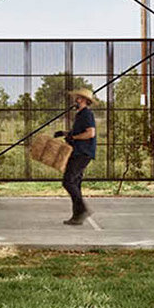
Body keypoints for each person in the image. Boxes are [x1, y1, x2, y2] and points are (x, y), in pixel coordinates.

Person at [53, 88, 97, 225]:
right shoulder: (80, 115)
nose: (75, 100)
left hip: (83, 152)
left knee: (68, 181)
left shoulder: (86, 114)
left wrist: (74, 137)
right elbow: (77, 132)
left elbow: (90, 133)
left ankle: (82, 210)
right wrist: (65, 133)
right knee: (75, 183)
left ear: (84, 100)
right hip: (78, 151)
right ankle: (77, 217)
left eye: (78, 98)